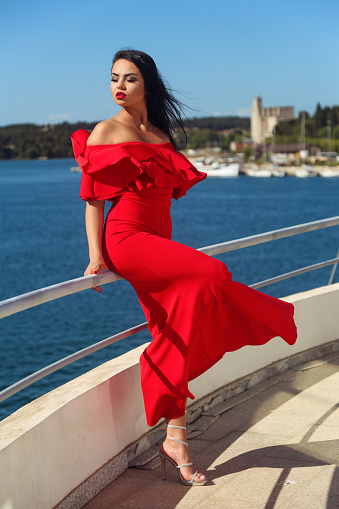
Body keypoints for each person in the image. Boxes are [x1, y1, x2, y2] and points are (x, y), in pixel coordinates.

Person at [71, 49, 297, 486]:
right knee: (211, 274)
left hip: (160, 241)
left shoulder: (159, 135)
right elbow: (94, 199)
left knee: (171, 329)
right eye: (114, 78)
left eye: (129, 79)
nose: (118, 86)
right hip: (127, 238)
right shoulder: (105, 131)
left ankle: (176, 439)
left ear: (148, 85)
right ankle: (162, 366)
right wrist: (96, 255)